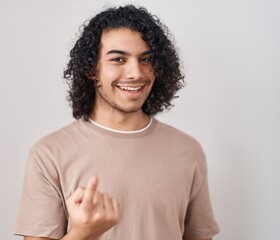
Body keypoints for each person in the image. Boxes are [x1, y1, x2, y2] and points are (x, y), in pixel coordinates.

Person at [14, 5, 220, 240]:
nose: (136, 72)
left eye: (146, 59)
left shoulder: (188, 151)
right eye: (118, 59)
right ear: (92, 69)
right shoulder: (49, 154)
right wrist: (83, 233)